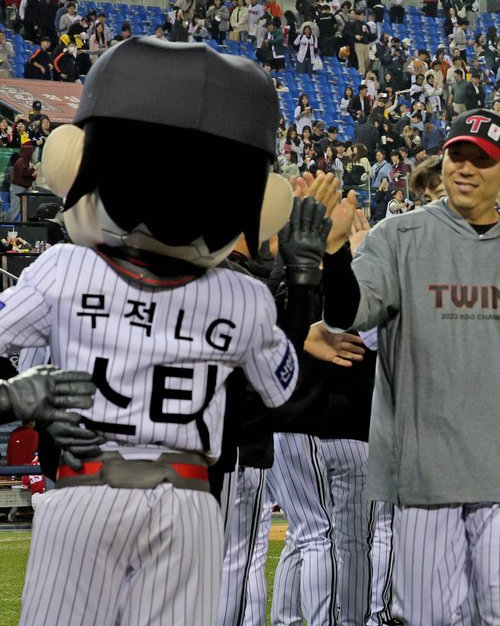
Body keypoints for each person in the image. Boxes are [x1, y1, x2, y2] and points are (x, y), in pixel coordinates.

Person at [9, 38, 325, 626]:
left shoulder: (64, 268)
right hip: (187, 500)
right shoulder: (244, 295)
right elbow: (288, 397)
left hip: (86, 491)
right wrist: (304, 286)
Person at [319, 109, 500, 623]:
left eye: (483, 159)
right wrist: (336, 254)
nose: (466, 168)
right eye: (458, 155)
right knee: (432, 617)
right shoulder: (398, 237)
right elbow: (345, 313)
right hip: (426, 470)